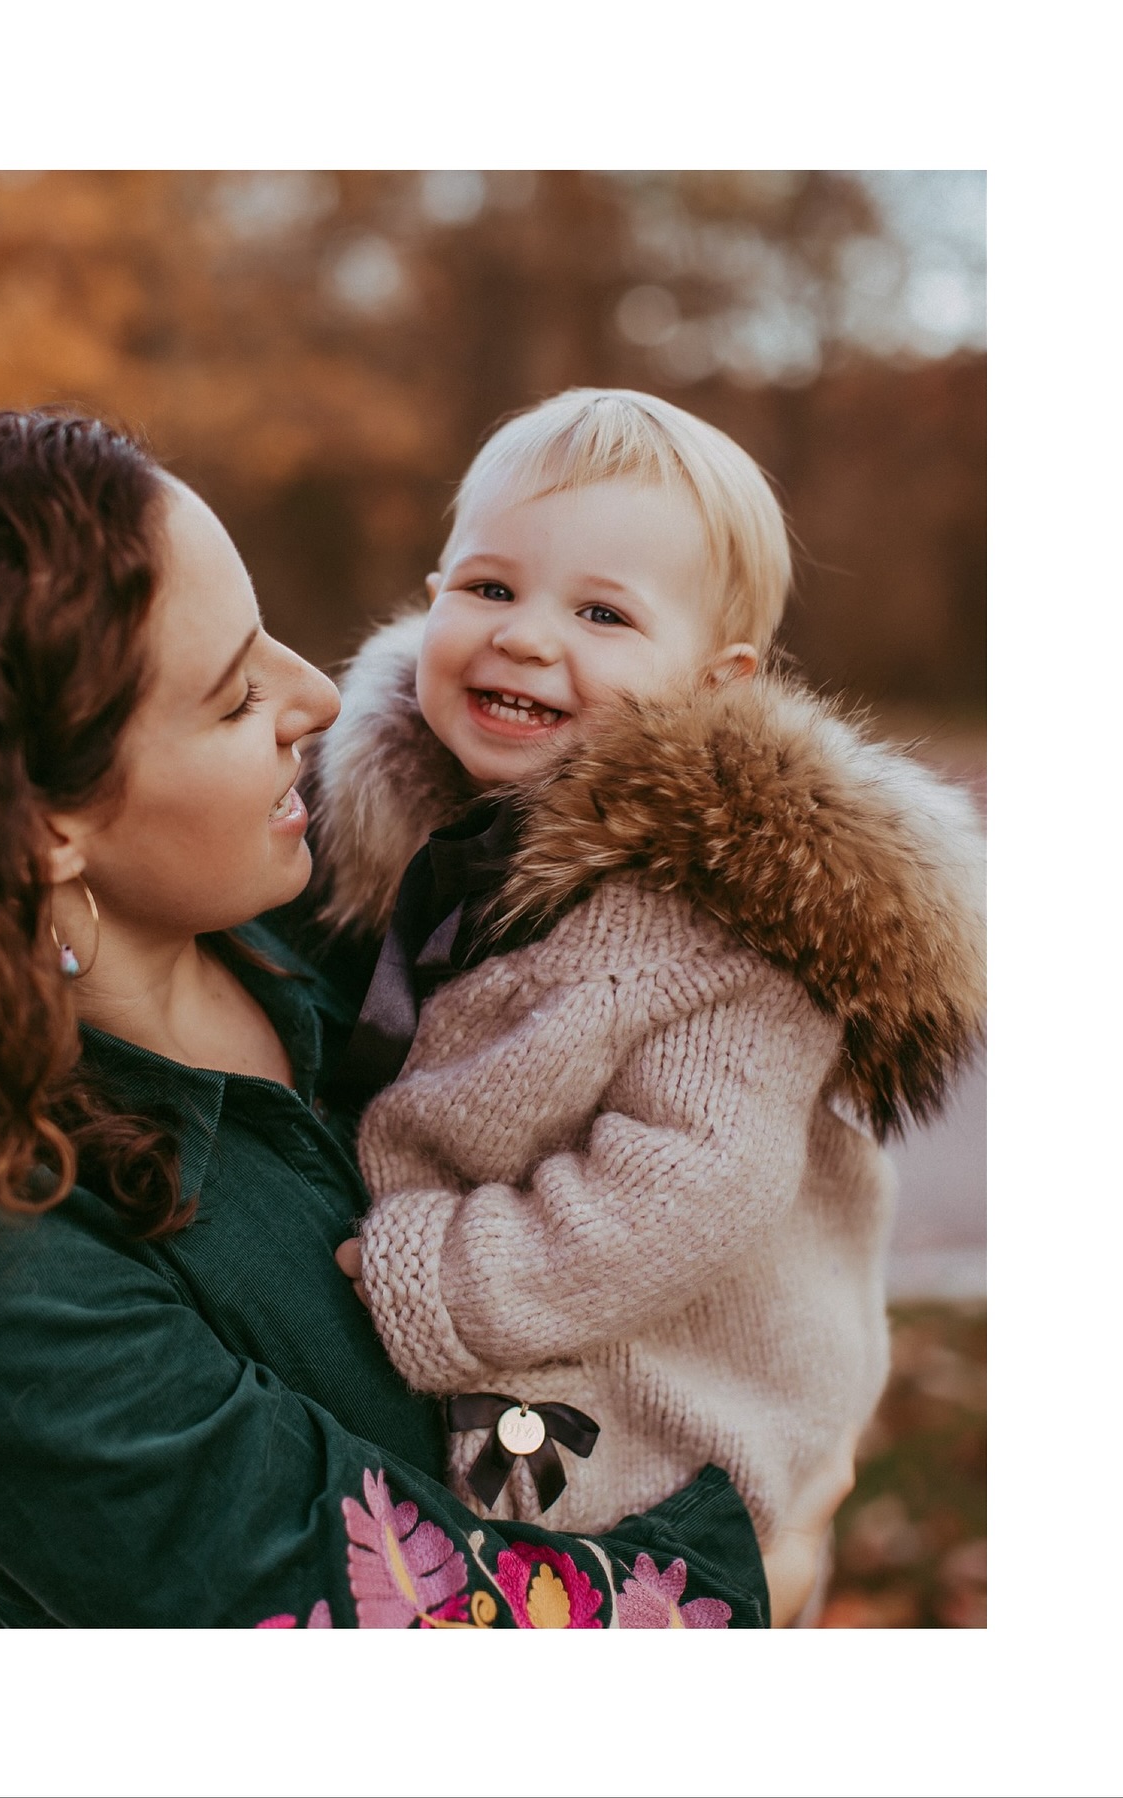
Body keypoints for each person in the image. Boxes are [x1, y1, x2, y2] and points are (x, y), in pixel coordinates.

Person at [0, 407, 772, 1629]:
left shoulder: (350, 925)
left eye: (271, 636)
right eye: (233, 698)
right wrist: (752, 1567)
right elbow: (395, 1618)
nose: (318, 695)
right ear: (42, 825)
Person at [316, 389, 988, 1626]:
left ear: (713, 682)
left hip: (669, 1444)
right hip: (532, 1413)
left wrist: (442, 1276)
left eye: (603, 614)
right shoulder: (421, 836)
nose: (526, 637)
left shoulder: (723, 921)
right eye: (490, 587)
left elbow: (682, 1187)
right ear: (433, 593)